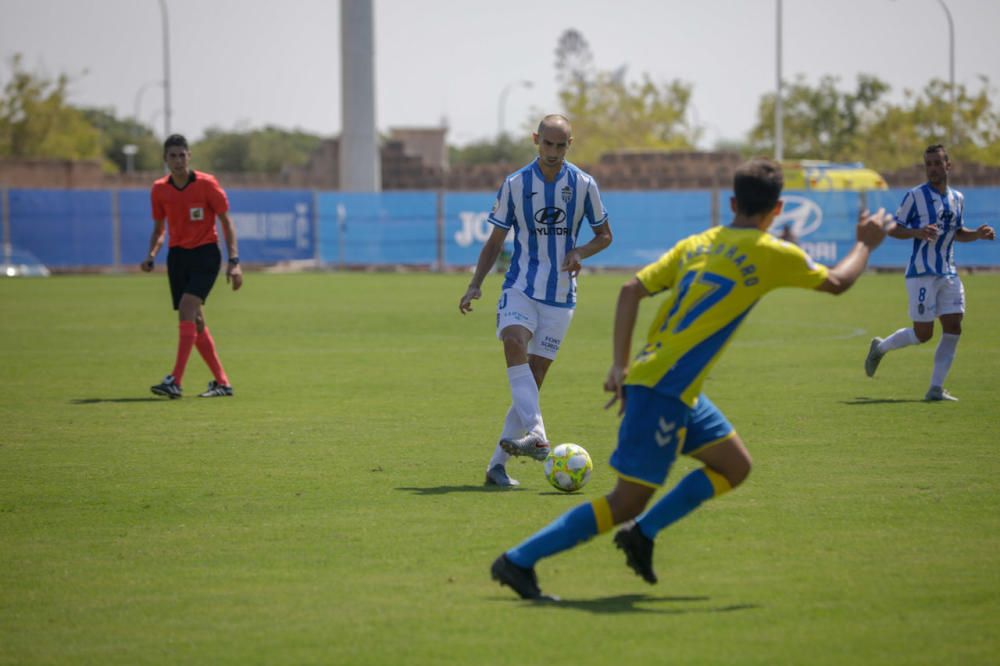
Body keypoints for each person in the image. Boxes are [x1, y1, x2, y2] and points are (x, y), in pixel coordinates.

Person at [490, 157, 890, 599]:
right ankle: (518, 560)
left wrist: (620, 365)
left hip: (671, 384)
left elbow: (631, 290)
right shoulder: (772, 252)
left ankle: (642, 534)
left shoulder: (699, 243)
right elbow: (837, 281)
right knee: (625, 501)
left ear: (732, 202)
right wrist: (865, 244)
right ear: (777, 211)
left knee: (735, 466)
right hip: (665, 389)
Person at [459, 114, 613, 487]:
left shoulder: (584, 185)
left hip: (561, 296)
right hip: (521, 286)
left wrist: (580, 252)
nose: (553, 152)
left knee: (534, 378)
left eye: (561, 146)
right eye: (548, 144)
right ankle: (539, 436)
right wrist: (476, 283)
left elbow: (604, 235)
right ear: (535, 139)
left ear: (569, 145)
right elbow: (495, 241)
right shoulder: (515, 184)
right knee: (513, 339)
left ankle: (497, 467)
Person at [864, 144, 995, 401]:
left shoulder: (958, 198)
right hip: (922, 273)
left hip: (949, 272)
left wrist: (977, 234)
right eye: (928, 164)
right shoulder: (915, 196)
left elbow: (957, 233)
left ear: (948, 165)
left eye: (937, 163)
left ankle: (935, 388)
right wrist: (917, 231)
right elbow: (893, 228)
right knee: (923, 334)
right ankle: (880, 348)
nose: (932, 168)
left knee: (954, 327)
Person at [141, 134, 243, 399]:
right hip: (178, 257)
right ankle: (223, 383)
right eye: (172, 156)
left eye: (182, 155)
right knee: (195, 320)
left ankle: (175, 380)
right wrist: (151, 255)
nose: (178, 160)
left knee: (187, 308)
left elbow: (227, 222)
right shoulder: (159, 189)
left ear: (189, 157)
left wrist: (234, 261)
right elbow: (159, 229)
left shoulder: (207, 184)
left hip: (205, 255)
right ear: (165, 159)